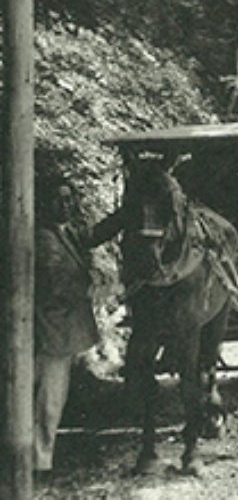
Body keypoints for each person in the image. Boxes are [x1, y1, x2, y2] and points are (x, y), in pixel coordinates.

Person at [34, 179, 123, 478]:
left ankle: (38, 457)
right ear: (45, 203)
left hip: (61, 330)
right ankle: (37, 463)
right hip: (50, 330)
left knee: (52, 396)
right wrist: (92, 284)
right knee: (48, 397)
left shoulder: (66, 232)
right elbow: (55, 280)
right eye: (58, 199)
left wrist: (125, 214)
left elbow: (92, 235)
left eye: (69, 199)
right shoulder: (44, 238)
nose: (66, 205)